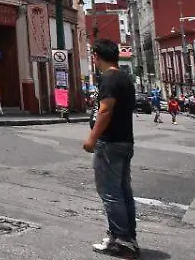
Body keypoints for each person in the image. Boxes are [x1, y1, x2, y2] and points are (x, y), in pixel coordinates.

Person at [83, 40, 138, 259]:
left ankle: (122, 241)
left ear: (97, 55)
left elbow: (105, 111)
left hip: (110, 142)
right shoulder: (124, 77)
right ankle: (125, 237)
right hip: (125, 140)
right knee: (123, 191)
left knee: (110, 192)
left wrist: (92, 138)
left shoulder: (108, 79)